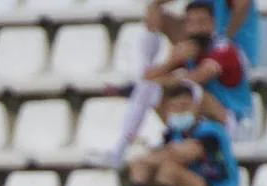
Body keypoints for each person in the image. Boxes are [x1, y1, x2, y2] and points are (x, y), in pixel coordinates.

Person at [107, 1, 254, 168]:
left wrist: (172, 69)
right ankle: (120, 148)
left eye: (202, 22)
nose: (196, 29)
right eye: (191, 23)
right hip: (201, 122)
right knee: (149, 89)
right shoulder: (190, 51)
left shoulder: (223, 49)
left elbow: (197, 78)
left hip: (234, 122)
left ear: (212, 24)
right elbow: (147, 78)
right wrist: (170, 62)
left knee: (189, 90)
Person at [105, 83, 240, 186]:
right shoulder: (172, 134)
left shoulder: (211, 132)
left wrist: (156, 156)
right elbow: (158, 157)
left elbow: (186, 153)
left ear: (196, 107)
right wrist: (147, 160)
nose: (181, 112)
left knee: (168, 169)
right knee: (140, 166)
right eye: (175, 107)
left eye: (185, 106)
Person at [146, 0, 259, 66]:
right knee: (157, 13)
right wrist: (154, 5)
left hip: (234, 52)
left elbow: (242, 5)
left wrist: (224, 39)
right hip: (201, 51)